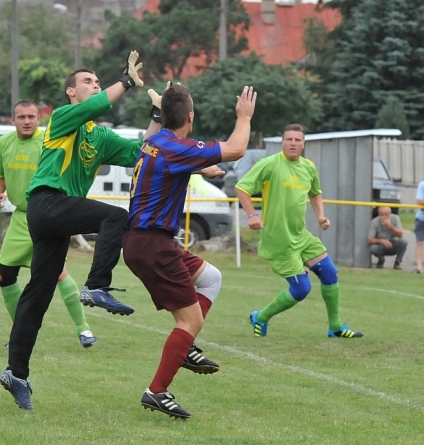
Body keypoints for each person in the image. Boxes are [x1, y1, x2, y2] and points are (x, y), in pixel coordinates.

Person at [0, 51, 161, 411]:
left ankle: (16, 373)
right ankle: (96, 286)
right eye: (88, 81)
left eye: (97, 82)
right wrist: (128, 82)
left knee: (37, 297)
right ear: (72, 92)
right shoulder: (62, 118)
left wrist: (159, 115)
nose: (95, 85)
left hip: (57, 217)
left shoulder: (99, 137)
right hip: (46, 203)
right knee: (115, 217)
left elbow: (141, 151)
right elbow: (99, 105)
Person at [123, 83, 257, 419]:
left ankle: (183, 349)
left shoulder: (155, 141)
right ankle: (157, 391)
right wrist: (244, 116)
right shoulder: (175, 147)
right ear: (190, 116)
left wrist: (196, 167)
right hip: (153, 243)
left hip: (147, 241)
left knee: (211, 278)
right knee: (190, 320)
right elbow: (237, 148)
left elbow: (164, 168)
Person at [235, 123, 363, 340]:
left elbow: (315, 193)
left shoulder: (308, 167)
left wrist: (321, 215)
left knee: (330, 273)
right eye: (289, 139)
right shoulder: (270, 164)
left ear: (304, 144)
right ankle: (261, 316)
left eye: (297, 140)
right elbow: (242, 187)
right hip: (279, 240)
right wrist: (252, 215)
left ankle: (335, 326)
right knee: (301, 289)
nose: (293, 143)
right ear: (283, 142)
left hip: (301, 236)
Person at [0, 100, 96, 349]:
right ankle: (21, 333)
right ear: (12, 119)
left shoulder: (49, 142)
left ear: (39, 119)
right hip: (20, 218)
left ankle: (84, 328)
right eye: (21, 117)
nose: (26, 121)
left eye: (31, 117)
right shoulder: (3, 143)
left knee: (57, 273)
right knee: (4, 276)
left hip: (46, 215)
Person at [413, 181, 424, 274]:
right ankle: (419, 267)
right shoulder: (422, 185)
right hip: (422, 218)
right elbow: (419, 201)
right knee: (420, 242)